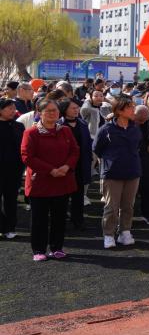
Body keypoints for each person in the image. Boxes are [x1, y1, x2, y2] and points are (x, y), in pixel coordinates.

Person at [21, 99, 79, 261]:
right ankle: (38, 250)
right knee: (39, 219)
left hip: (62, 180)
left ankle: (56, 247)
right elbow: (27, 157)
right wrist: (51, 170)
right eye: (48, 110)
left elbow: (75, 151)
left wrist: (66, 166)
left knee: (59, 218)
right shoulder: (31, 133)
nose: (53, 113)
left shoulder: (65, 131)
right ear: (40, 113)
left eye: (55, 110)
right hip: (40, 182)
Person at [92, 96, 142, 249]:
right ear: (119, 110)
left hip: (132, 172)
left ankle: (125, 231)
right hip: (112, 173)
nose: (133, 110)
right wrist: (111, 160)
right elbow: (97, 148)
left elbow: (138, 145)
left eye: (133, 107)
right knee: (111, 207)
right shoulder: (106, 129)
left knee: (128, 206)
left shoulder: (135, 128)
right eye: (130, 107)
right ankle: (108, 234)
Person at [59, 98, 92, 230]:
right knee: (62, 195)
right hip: (63, 164)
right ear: (64, 109)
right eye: (73, 108)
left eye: (77, 108)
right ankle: (60, 220)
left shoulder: (82, 123)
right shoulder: (58, 124)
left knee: (78, 194)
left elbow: (87, 144)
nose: (76, 110)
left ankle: (78, 220)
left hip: (80, 164)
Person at [0, 98, 25, 239]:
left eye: (14, 108)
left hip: (14, 169)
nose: (13, 111)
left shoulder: (18, 126)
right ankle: (2, 226)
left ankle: (10, 227)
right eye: (9, 108)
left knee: (11, 200)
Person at [135, 104, 149, 225]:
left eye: (145, 118)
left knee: (147, 187)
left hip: (145, 158)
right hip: (131, 159)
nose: (142, 121)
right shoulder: (129, 123)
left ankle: (148, 214)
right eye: (140, 119)